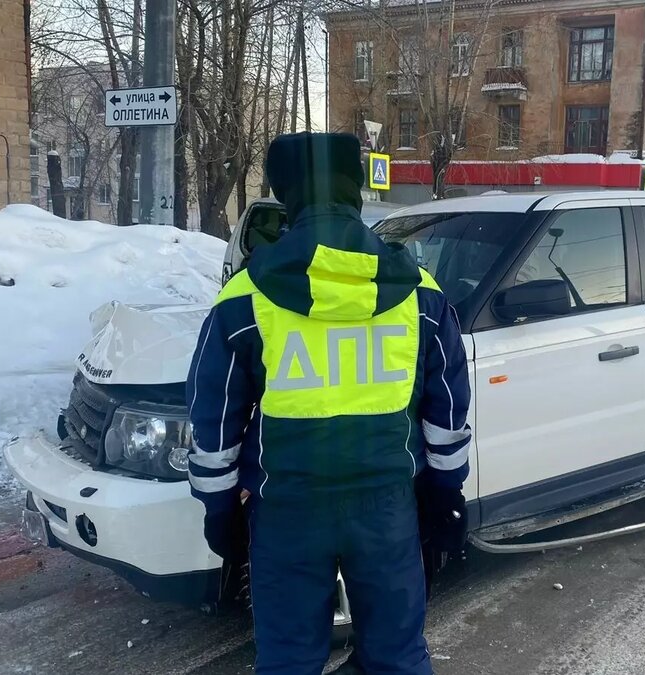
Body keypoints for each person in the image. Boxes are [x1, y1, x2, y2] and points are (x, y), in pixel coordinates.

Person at [185, 132, 471, 674]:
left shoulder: (243, 299)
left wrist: (219, 510)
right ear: (356, 190)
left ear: (285, 195)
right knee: (398, 657)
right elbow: (448, 412)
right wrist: (445, 492)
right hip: (389, 509)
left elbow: (213, 424)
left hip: (286, 512)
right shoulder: (422, 293)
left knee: (289, 660)